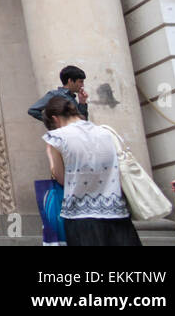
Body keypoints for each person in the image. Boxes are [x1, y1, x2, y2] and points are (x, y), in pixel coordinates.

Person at [41, 95, 141, 246]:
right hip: (116, 212)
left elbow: (61, 178)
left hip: (80, 215)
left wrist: (50, 155)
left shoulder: (56, 137)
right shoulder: (106, 132)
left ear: (55, 119)